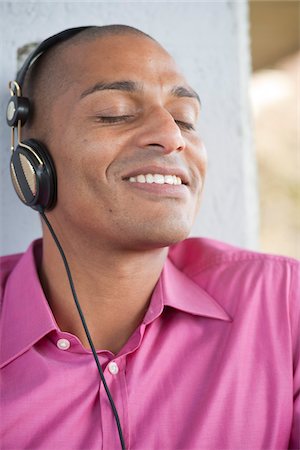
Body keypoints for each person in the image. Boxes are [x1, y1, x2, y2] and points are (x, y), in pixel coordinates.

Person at [0, 25, 299, 450]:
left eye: (185, 119)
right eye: (116, 112)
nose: (173, 137)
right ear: (31, 159)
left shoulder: (284, 303)